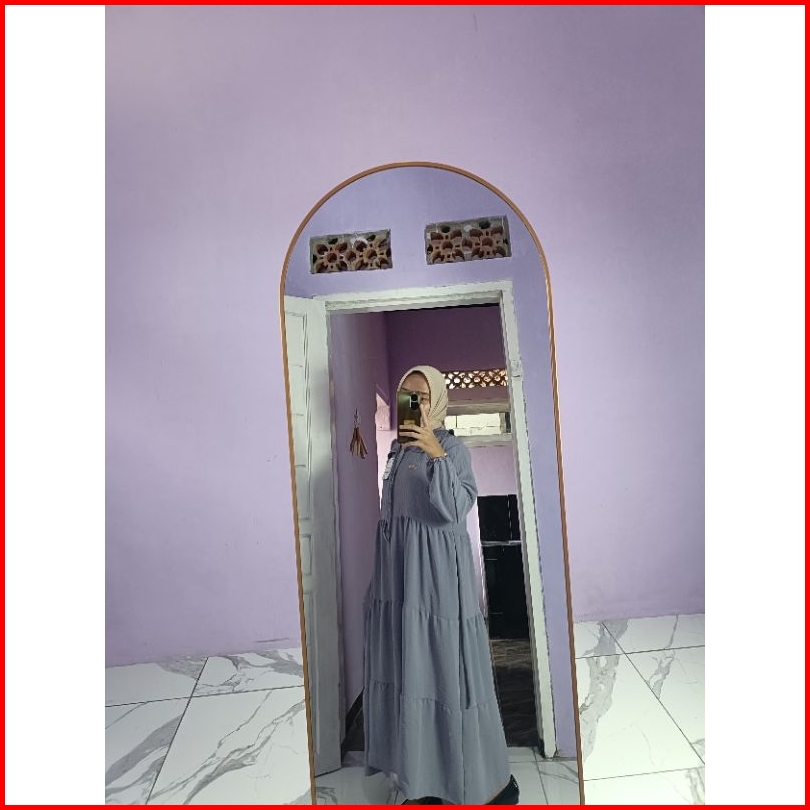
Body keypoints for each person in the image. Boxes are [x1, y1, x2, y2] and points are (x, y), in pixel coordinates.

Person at [363, 365, 519, 805]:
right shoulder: (396, 450)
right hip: (400, 580)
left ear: (439, 402)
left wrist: (435, 452)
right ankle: (422, 777)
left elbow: (453, 508)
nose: (414, 404)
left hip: (437, 583)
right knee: (410, 670)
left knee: (445, 669)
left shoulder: (452, 448)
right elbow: (392, 518)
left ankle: (472, 780)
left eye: (423, 396)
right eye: (407, 395)